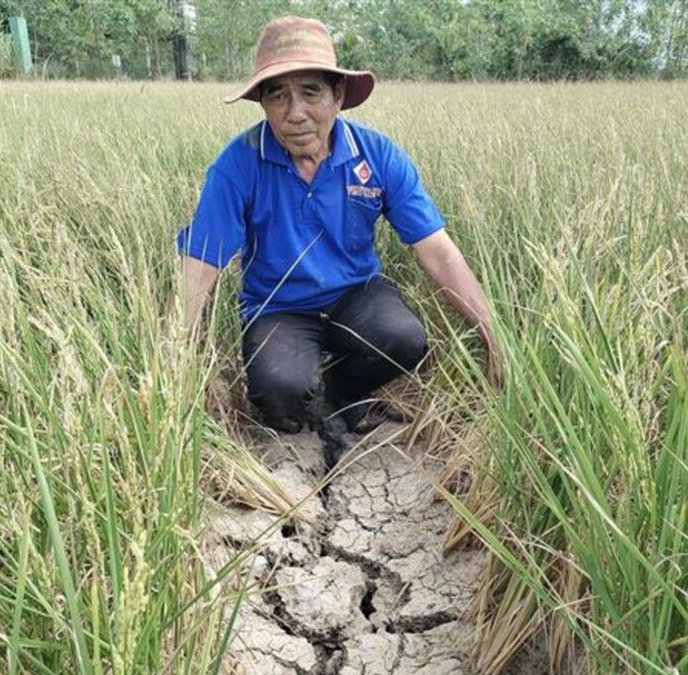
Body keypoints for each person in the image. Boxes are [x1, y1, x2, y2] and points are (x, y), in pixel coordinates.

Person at [176, 15, 501, 433]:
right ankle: (300, 404)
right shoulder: (237, 164)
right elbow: (200, 264)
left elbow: (438, 251)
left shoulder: (377, 155)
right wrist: (175, 359)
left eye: (310, 92)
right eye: (278, 96)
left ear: (338, 95)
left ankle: (343, 390)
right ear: (263, 104)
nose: (295, 113)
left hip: (356, 296)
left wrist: (492, 335)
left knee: (403, 338)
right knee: (280, 390)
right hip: (279, 308)